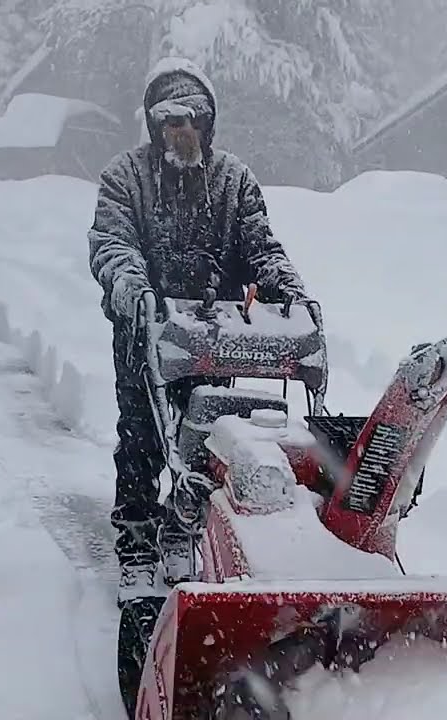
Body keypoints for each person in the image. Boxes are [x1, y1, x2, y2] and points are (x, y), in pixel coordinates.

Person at [87, 58, 309, 606]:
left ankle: (182, 528)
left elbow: (260, 245)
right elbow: (111, 244)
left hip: (215, 338)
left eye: (190, 120)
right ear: (153, 124)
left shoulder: (233, 181)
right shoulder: (126, 178)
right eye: (169, 122)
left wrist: (287, 287)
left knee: (209, 436)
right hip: (149, 333)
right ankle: (137, 543)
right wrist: (131, 287)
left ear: (207, 125)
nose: (180, 131)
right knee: (143, 437)